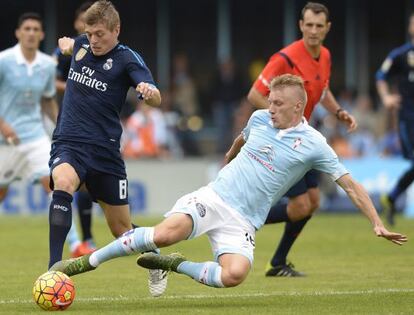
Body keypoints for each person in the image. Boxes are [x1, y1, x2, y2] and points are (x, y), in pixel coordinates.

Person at [50, 74, 407, 292]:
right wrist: (230, 156)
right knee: (163, 234)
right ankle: (87, 263)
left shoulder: (314, 144)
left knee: (234, 276)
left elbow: (350, 185)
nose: (271, 108)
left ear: (299, 108)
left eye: (279, 104)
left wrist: (377, 222)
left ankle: (173, 265)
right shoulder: (260, 118)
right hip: (216, 197)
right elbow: (242, 136)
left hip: (245, 220)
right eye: (270, 101)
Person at [47, 0, 166, 297]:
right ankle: (52, 271)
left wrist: (149, 93)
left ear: (116, 30)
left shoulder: (128, 59)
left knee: (121, 230)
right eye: (89, 33)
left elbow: (155, 97)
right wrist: (65, 46)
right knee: (63, 181)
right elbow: (65, 50)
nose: (94, 40)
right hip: (69, 142)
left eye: (100, 34)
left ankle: (156, 260)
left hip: (105, 153)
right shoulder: (80, 45)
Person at [247, 2, 358, 277]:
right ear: (300, 26)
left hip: (301, 140)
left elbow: (322, 90)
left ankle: (277, 262)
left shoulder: (326, 56)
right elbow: (254, 95)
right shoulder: (286, 58)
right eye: (308, 25)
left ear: (327, 28)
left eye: (319, 26)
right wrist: (279, 123)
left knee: (313, 203)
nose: (313, 30)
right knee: (300, 206)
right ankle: (244, 222)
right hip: (284, 142)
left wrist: (339, 111)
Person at [0, 13, 58, 208]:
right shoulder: (3, 60)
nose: (31, 33)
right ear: (18, 33)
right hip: (6, 139)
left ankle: (74, 240)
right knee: (2, 190)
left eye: (35, 29)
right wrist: (2, 125)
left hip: (35, 134)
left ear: (42, 35)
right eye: (27, 29)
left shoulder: (48, 65)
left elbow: (48, 100)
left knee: (54, 184)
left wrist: (61, 127)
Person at [54, 1, 97, 258]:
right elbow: (52, 81)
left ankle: (85, 237)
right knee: (71, 183)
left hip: (97, 125)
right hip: (70, 124)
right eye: (85, 22)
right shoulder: (65, 51)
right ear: (77, 23)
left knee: (88, 185)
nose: (88, 27)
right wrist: (74, 85)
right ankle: (77, 241)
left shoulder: (105, 54)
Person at [376, 12, 414, 226]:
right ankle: (391, 197)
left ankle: (390, 198)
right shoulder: (400, 55)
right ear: (410, 28)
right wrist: (386, 97)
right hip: (409, 118)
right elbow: (381, 76)